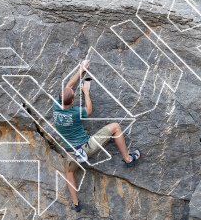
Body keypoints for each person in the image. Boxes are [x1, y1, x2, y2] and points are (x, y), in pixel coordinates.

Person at [52, 59, 141, 212]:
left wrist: (81, 70)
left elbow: (68, 86)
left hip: (70, 153)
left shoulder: (56, 105)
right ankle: (128, 159)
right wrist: (86, 92)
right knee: (115, 127)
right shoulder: (76, 112)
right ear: (73, 100)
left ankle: (75, 204)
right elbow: (89, 110)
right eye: (74, 95)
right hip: (86, 148)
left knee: (69, 172)